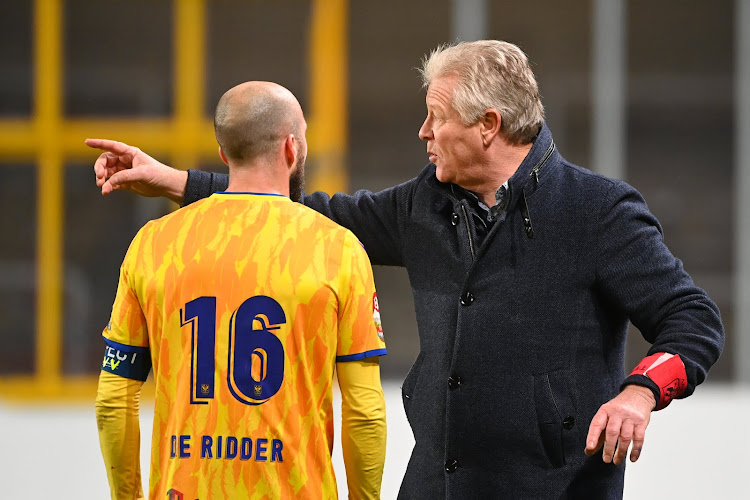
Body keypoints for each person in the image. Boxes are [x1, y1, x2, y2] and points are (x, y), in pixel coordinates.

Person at [89, 41, 725, 499]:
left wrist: (641, 391)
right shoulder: (427, 202)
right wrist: (177, 182)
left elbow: (693, 320)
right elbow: (306, 214)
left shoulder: (597, 210)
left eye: (436, 117)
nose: (423, 131)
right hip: (434, 486)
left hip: (555, 489)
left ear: (487, 126)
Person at [92, 81, 387, 500]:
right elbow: (364, 411)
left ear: (223, 155)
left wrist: (129, 497)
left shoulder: (153, 243)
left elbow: (113, 399)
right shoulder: (337, 249)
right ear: (291, 148)